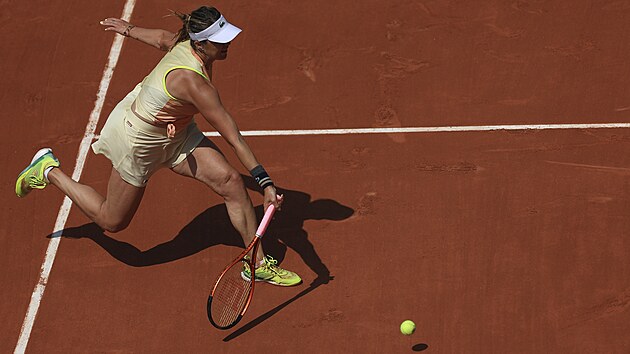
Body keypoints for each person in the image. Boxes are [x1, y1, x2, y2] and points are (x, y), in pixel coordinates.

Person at [15, 5, 301, 286]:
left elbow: (163, 39)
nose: (228, 45)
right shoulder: (195, 84)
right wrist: (265, 183)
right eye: (220, 42)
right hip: (139, 142)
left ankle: (257, 265)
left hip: (176, 132)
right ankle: (49, 171)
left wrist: (128, 29)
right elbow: (233, 136)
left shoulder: (187, 43)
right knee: (111, 221)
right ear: (200, 44)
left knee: (231, 182)